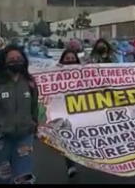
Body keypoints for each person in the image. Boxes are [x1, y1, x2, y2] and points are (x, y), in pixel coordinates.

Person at [0, 45, 38, 184]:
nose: (15, 61)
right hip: (1, 140)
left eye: (18, 58)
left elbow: (35, 107)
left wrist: (34, 127)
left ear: (24, 60)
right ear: (4, 61)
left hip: (24, 137)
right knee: (3, 177)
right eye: (11, 59)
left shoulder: (30, 83)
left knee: (24, 177)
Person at [58, 49, 82, 178]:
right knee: (67, 138)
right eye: (67, 59)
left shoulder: (84, 72)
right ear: (62, 60)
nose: (70, 61)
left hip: (81, 109)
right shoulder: (55, 72)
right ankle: (70, 165)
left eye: (73, 58)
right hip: (63, 111)